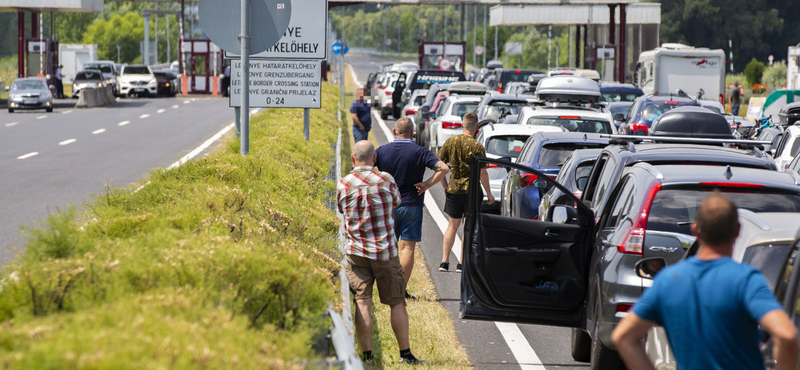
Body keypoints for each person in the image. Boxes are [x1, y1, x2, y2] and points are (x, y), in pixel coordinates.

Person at [612, 192, 798, 370]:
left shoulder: (668, 280)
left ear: (695, 230)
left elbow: (624, 336)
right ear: (738, 230)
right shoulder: (745, 279)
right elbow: (786, 335)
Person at [337, 140, 424, 365]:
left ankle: (367, 355)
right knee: (396, 302)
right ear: (374, 158)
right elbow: (396, 202)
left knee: (362, 301)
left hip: (356, 252)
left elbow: (340, 209)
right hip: (385, 251)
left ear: (352, 158)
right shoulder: (386, 179)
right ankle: (405, 353)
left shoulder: (343, 184)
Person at [375, 118, 450, 299]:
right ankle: (400, 290)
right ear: (412, 133)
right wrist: (426, 184)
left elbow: (365, 167)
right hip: (411, 205)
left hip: (388, 206)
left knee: (387, 247)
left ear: (394, 131)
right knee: (407, 248)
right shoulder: (419, 151)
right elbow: (444, 168)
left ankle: (384, 288)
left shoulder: (382, 151)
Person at [436, 112, 494, 272]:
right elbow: (483, 172)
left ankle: (444, 262)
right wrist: (489, 194)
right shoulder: (477, 146)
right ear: (477, 128)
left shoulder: (450, 142)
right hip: (472, 192)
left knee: (452, 226)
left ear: (462, 124)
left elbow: (439, 165)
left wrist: (444, 185)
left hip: (454, 190)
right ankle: (461, 263)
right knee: (467, 227)